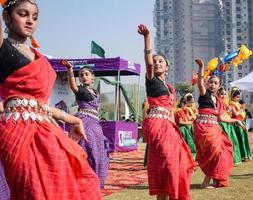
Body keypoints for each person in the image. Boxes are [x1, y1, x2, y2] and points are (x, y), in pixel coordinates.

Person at [0, 0, 101, 199]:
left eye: (35, 17)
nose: (30, 21)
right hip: (19, 131)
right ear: (6, 17)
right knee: (33, 191)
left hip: (47, 127)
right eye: (23, 14)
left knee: (75, 178)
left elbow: (39, 104)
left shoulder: (39, 57)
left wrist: (73, 119)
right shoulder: (3, 47)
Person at [138, 24, 195, 200]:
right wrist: (147, 37)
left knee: (176, 163)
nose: (156, 63)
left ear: (167, 67)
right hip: (157, 126)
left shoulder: (170, 88)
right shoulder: (151, 79)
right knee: (166, 164)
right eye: (155, 62)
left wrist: (174, 127)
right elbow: (148, 61)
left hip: (170, 128)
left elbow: (171, 112)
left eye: (160, 61)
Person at [61, 60, 109, 188]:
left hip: (95, 123)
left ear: (93, 76)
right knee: (86, 148)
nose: (83, 76)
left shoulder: (95, 91)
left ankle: (94, 179)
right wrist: (70, 71)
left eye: (86, 74)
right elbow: (73, 87)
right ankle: (81, 179)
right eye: (81, 75)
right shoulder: (81, 89)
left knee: (98, 151)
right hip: (84, 122)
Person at [194, 59, 236, 189]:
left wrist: (237, 121)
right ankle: (206, 182)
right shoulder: (204, 93)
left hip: (214, 129)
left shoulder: (218, 100)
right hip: (203, 129)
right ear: (207, 84)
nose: (212, 85)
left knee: (222, 152)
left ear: (219, 86)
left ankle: (209, 181)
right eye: (210, 82)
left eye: (215, 83)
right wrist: (201, 68)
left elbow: (221, 118)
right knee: (215, 153)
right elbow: (200, 83)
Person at [217, 86, 241, 165]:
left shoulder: (226, 103)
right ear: (218, 94)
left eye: (224, 94)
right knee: (225, 144)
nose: (223, 96)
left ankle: (234, 159)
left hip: (228, 124)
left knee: (234, 142)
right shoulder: (217, 103)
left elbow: (229, 115)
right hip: (222, 125)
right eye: (221, 94)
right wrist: (227, 111)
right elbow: (219, 116)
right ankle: (225, 160)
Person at [230, 88, 251, 161]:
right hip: (237, 123)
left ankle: (246, 154)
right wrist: (242, 109)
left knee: (244, 138)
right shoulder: (232, 104)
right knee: (240, 139)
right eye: (237, 97)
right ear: (232, 96)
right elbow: (235, 114)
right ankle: (242, 155)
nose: (238, 98)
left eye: (239, 97)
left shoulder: (238, 103)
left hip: (242, 121)